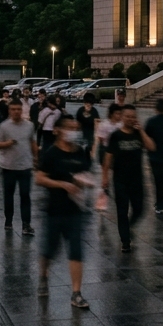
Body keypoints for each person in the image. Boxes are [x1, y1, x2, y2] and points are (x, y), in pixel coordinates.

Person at [35, 114, 94, 310]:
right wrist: (61, 184)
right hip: (55, 210)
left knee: (76, 250)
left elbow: (86, 173)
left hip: (76, 210)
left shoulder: (80, 152)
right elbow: (39, 178)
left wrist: (84, 182)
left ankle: (76, 293)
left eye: (75, 128)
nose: (73, 132)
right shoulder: (51, 153)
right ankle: (43, 275)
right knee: (50, 250)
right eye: (69, 128)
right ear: (58, 130)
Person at [103, 104, 155, 252]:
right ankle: (125, 241)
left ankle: (129, 227)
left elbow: (151, 147)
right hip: (120, 180)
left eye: (133, 116)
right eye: (127, 116)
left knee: (139, 209)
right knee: (122, 211)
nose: (131, 119)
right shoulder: (116, 135)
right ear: (122, 117)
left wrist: (142, 131)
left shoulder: (139, 134)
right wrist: (105, 177)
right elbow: (108, 157)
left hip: (137, 179)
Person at [0, 99, 38, 235]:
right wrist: (6, 143)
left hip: (25, 166)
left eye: (18, 109)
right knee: (9, 195)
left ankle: (26, 223)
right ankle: (8, 220)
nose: (16, 112)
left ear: (22, 110)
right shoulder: (4, 126)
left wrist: (36, 158)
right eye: (13, 109)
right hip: (9, 166)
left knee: (25, 195)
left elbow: (32, 142)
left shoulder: (29, 126)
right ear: (9, 111)